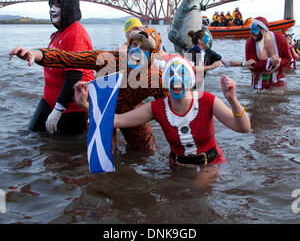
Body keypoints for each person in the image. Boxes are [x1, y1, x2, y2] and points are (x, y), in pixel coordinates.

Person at [9, 27, 169, 151]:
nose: (136, 51)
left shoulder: (156, 78)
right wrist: (35, 54)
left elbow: (170, 111)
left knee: (147, 153)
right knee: (102, 160)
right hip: (101, 108)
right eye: (134, 45)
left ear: (153, 55)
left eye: (144, 48)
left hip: (130, 113)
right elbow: (67, 58)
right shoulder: (109, 60)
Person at [106, 55, 250, 167]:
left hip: (211, 165)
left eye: (182, 73)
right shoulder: (157, 107)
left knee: (197, 188)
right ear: (164, 80)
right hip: (176, 167)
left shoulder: (208, 100)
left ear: (191, 79)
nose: (176, 78)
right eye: (170, 74)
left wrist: (232, 100)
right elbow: (118, 120)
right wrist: (86, 103)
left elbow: (243, 128)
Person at [15, 0, 94, 135]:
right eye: (51, 5)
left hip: (72, 105)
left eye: (57, 5)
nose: (52, 9)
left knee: (67, 151)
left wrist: (59, 109)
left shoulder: (76, 33)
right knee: (32, 135)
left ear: (69, 9)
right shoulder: (58, 33)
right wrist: (31, 54)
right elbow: (51, 59)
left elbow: (74, 75)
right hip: (49, 99)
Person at [245, 16, 291, 90]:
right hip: (259, 81)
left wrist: (279, 62)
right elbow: (252, 66)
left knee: (281, 98)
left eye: (254, 30)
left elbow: (288, 59)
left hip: (278, 79)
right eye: (251, 29)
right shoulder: (250, 43)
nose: (251, 33)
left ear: (263, 30)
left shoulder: (280, 39)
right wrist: (269, 62)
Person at [186, 29, 251, 77]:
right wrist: (210, 67)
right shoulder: (189, 52)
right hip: (186, 86)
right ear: (200, 41)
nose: (209, 40)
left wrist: (243, 64)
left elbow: (225, 62)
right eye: (207, 38)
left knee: (200, 89)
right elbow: (189, 68)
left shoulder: (207, 51)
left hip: (198, 85)